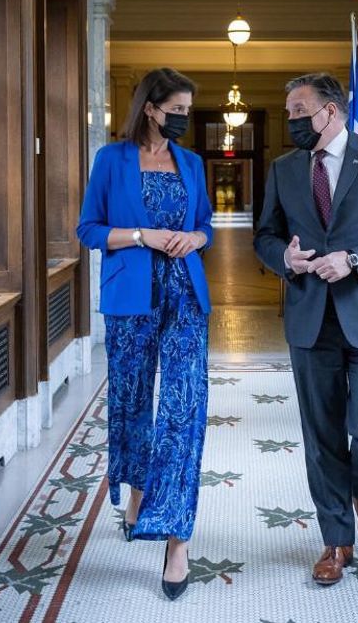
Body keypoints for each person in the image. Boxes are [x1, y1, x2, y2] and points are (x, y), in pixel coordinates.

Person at [254, 72, 358, 587]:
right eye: (288, 114)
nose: (292, 121)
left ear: (330, 112)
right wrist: (285, 257)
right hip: (309, 319)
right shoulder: (283, 169)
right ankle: (336, 540)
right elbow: (264, 235)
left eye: (299, 111)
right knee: (322, 433)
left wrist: (352, 259)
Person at [76, 67, 213, 601]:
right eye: (176, 109)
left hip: (185, 296)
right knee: (132, 402)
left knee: (184, 409)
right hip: (129, 295)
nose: (183, 118)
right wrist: (141, 235)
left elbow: (205, 225)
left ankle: (177, 538)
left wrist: (194, 238)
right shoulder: (111, 160)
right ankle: (135, 488)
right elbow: (88, 229)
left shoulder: (194, 163)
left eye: (187, 110)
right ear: (151, 108)